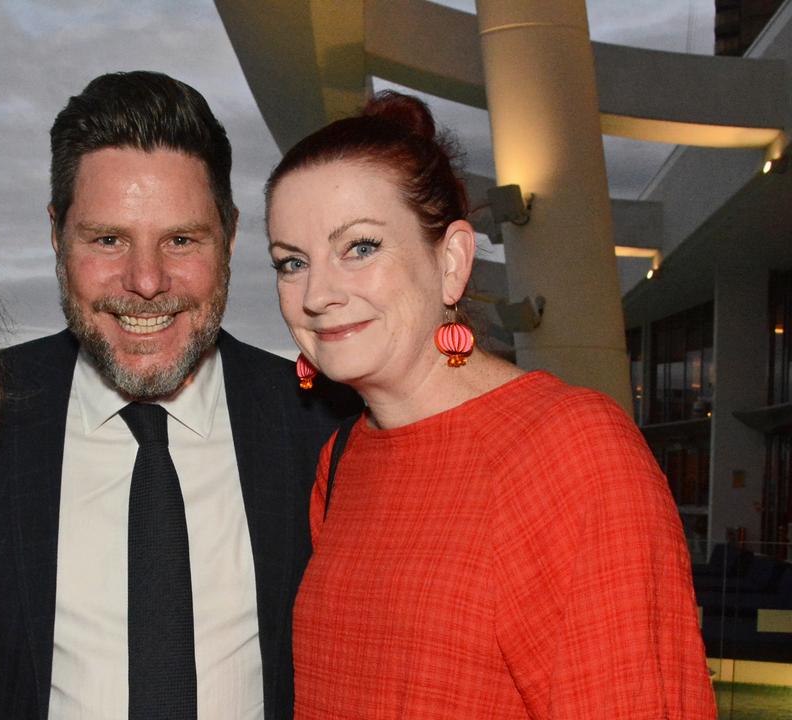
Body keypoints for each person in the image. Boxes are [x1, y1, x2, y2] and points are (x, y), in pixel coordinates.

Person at [0, 71, 359, 720]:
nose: (146, 281)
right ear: (57, 235)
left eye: (181, 240)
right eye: (108, 239)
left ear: (229, 236)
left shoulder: (323, 427)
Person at [264, 91, 715, 718]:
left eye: (360, 247)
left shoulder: (571, 450)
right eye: (291, 262)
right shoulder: (340, 460)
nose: (318, 294)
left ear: (451, 260)